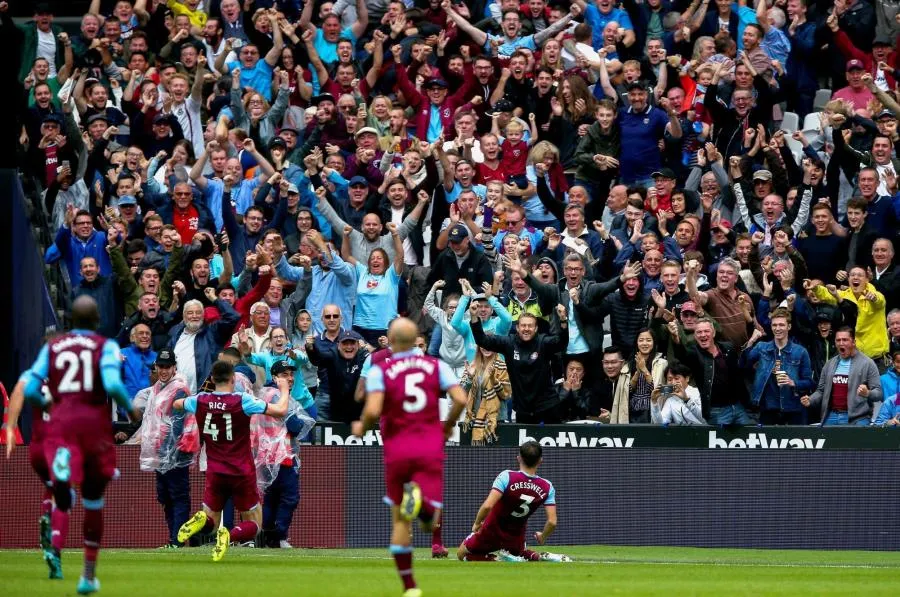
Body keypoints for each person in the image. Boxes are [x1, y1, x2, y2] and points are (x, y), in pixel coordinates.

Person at [23, 297, 140, 593]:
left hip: (61, 424)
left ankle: (62, 478)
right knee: (93, 500)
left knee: (64, 491)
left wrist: (49, 401)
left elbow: (32, 387)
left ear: (71, 322)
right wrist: (129, 408)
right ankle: (88, 576)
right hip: (94, 426)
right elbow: (113, 385)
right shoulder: (107, 346)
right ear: (98, 319)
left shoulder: (53, 347)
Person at [352, 318, 466, 597]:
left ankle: (410, 587)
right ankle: (425, 506)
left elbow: (373, 409)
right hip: (429, 446)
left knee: (400, 521)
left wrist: (361, 427)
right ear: (417, 340)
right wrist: (449, 424)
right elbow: (461, 399)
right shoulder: (435, 365)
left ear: (390, 341)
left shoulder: (382, 369)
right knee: (428, 522)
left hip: (397, 449)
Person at [173, 360, 292, 561]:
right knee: (255, 526)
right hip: (241, 471)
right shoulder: (242, 400)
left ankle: (202, 521)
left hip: (215, 471)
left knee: (210, 522)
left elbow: (177, 404)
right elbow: (280, 411)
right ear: (234, 378)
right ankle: (229, 535)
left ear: (212, 379)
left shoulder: (201, 400)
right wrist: (285, 389)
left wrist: (190, 399)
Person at [458, 440, 564, 562]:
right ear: (540, 460)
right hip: (516, 537)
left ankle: (498, 559)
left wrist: (477, 523)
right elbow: (552, 521)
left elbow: (487, 506)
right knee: (521, 553)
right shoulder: (547, 486)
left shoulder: (506, 476)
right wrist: (543, 536)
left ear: (519, 458)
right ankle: (541, 556)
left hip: (491, 531)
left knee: (461, 554)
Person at [133, 349, 197, 548]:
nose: (163, 370)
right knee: (165, 496)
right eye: (160, 366)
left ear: (174, 367)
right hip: (162, 450)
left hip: (176, 450)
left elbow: (177, 423)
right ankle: (176, 538)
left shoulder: (179, 389)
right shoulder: (157, 388)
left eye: (167, 367)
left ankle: (177, 540)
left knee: (177, 495)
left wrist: (168, 451)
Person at [801, 327, 883, 426]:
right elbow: (821, 390)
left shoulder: (868, 363)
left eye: (845, 340)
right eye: (838, 340)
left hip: (858, 418)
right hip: (831, 416)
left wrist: (868, 393)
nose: (841, 343)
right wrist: (811, 399)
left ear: (854, 342)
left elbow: (879, 393)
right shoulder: (830, 364)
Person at [459, 346, 512, 444]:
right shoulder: (472, 365)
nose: (487, 348)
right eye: (483, 345)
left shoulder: (501, 366)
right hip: (473, 419)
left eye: (490, 345)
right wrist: (470, 379)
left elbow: (506, 394)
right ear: (479, 348)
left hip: (495, 420)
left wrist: (494, 381)